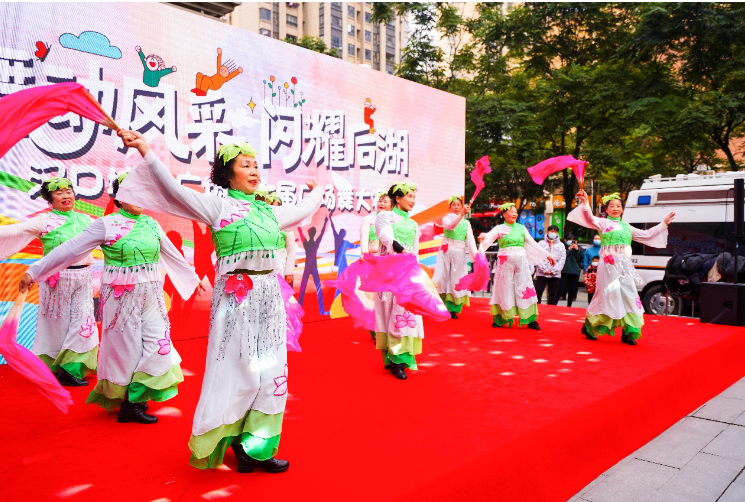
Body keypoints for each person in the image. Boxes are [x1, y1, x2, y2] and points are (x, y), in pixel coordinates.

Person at [115, 130, 323, 472]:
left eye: (256, 165)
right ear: (228, 174)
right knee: (237, 371)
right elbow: (174, 191)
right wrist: (146, 151)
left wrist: (318, 193)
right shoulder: (217, 206)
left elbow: (303, 210)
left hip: (269, 297)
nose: (254, 171)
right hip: (235, 300)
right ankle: (230, 437)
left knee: (273, 372)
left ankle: (255, 448)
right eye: (245, 165)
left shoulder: (269, 212)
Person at [20, 174, 200, 424]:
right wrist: (34, 272)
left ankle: (135, 397)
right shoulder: (106, 225)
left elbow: (172, 254)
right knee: (126, 352)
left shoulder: (151, 223)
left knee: (160, 345)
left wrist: (193, 279)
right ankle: (130, 404)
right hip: (120, 299)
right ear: (120, 198)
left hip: (152, 297)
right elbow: (68, 250)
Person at [1, 176, 97, 387]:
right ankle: (55, 368)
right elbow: (14, 231)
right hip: (56, 280)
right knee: (56, 325)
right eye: (59, 193)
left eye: (68, 192)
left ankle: (71, 368)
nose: (66, 196)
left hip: (84, 278)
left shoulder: (86, 220)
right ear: (50, 198)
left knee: (83, 322)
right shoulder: (44, 220)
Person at [568, 191, 674, 345]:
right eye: (612, 206)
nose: (615, 208)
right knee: (606, 296)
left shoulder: (627, 227)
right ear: (606, 209)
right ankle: (590, 326)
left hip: (625, 268)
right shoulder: (603, 223)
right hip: (607, 267)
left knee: (629, 296)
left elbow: (647, 234)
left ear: (622, 209)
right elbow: (589, 218)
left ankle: (628, 332)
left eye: (618, 206)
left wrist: (663, 223)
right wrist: (585, 203)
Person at [478, 203, 555, 330]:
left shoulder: (521, 228)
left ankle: (530, 319)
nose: (514, 213)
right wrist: (483, 237)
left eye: (515, 212)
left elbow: (532, 243)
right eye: (511, 211)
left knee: (525, 288)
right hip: (504, 263)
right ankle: (500, 318)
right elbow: (488, 236)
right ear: (504, 214)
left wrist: (547, 255)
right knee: (504, 288)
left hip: (521, 262)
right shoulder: (499, 228)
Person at [374, 181, 422, 380]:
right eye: (409, 196)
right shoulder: (385, 216)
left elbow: (416, 251)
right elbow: (387, 237)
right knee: (390, 313)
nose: (412, 200)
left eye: (414, 197)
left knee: (405, 314)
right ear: (398, 198)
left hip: (407, 273)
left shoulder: (414, 224)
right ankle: (393, 358)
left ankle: (400, 359)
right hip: (390, 272)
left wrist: (417, 273)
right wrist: (402, 252)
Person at [433, 195, 478, 319]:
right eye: (454, 205)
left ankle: (452, 309)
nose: (456, 207)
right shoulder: (446, 218)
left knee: (456, 281)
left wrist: (476, 256)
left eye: (458, 205)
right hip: (445, 253)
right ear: (450, 207)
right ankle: (437, 305)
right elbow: (450, 226)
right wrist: (461, 215)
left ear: (462, 206)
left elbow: (471, 241)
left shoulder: (466, 223)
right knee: (440, 278)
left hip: (459, 254)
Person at [534, 225, 566, 305]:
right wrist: (544, 269)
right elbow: (537, 257)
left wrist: (554, 270)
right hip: (542, 273)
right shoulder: (541, 243)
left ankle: (551, 309)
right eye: (552, 231)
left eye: (555, 231)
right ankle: (537, 308)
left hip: (554, 274)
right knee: (538, 291)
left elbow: (562, 259)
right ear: (548, 232)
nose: (553, 233)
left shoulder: (561, 245)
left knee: (553, 294)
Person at [560, 233, 584, 307]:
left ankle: (569, 304)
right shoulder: (563, 248)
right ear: (565, 240)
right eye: (569, 240)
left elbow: (580, 258)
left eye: (573, 240)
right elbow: (563, 256)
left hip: (574, 271)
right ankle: (561, 296)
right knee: (562, 287)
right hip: (564, 270)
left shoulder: (579, 249)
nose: (571, 242)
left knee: (572, 288)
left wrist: (577, 250)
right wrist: (569, 249)